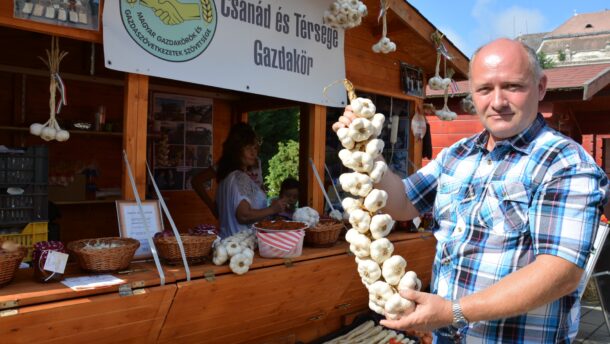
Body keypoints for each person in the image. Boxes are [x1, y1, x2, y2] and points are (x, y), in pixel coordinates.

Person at [333, 38, 608, 343]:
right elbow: (402, 203)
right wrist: (367, 150)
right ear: (472, 93)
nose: (498, 101)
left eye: (513, 86)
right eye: (485, 89)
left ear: (540, 87)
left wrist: (453, 312)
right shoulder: (458, 154)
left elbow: (561, 272)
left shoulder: (564, 162)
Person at [213, 123, 287, 238]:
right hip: (241, 245)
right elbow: (243, 215)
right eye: (248, 148)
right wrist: (272, 209)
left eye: (254, 148)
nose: (254, 153)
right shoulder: (239, 177)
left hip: (228, 243)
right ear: (236, 151)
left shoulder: (225, 178)